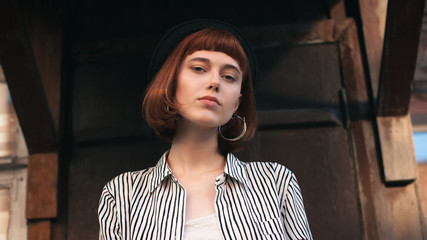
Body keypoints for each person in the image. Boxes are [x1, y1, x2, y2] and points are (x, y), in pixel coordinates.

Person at [98, 19, 312, 240]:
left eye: (229, 76)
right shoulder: (122, 194)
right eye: (199, 68)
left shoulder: (275, 182)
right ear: (169, 84)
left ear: (236, 103)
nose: (215, 82)